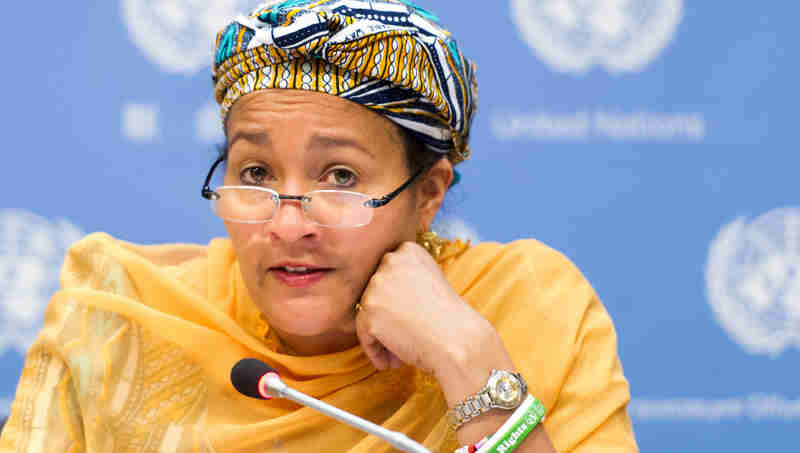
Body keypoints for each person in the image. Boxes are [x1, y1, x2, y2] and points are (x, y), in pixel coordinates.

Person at [0, 1, 638, 452]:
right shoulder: (126, 326)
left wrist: (465, 360)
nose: (286, 224)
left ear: (428, 194)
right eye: (255, 172)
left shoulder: (525, 307)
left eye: (339, 177)